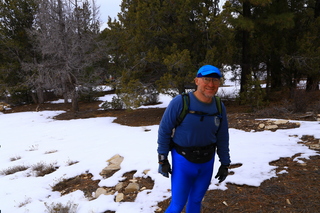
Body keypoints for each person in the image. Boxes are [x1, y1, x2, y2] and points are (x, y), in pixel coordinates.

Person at [157, 65, 231, 213]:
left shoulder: (218, 106)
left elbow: (222, 136)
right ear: (197, 81)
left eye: (215, 80)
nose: (211, 84)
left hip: (206, 163)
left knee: (196, 201)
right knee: (178, 204)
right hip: (183, 162)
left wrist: (225, 163)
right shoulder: (180, 102)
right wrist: (162, 159)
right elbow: (164, 131)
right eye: (206, 79)